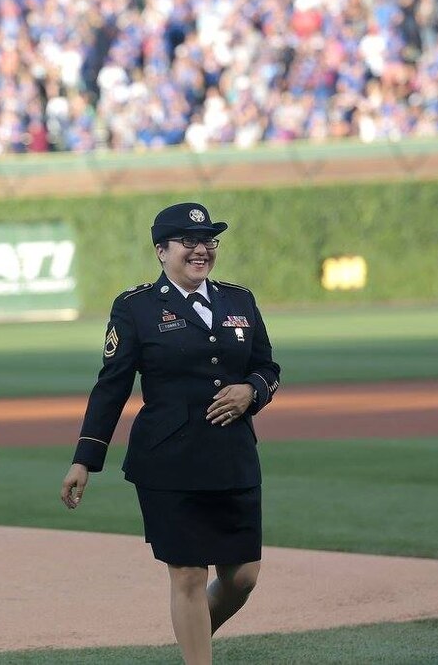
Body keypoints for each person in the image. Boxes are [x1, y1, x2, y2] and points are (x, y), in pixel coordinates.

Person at [60, 202, 281, 665]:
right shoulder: (136, 307)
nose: (201, 250)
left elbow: (267, 366)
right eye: (188, 242)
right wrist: (86, 457)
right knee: (187, 577)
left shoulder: (239, 300)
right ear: (162, 251)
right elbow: (112, 385)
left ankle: (191, 636)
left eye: (208, 242)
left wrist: (252, 391)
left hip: (233, 455)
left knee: (244, 577)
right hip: (168, 461)